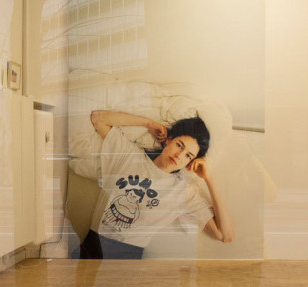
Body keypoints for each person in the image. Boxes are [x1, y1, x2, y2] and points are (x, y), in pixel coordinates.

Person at [79, 109, 235, 259]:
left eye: (188, 155)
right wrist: (149, 124)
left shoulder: (183, 191)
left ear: (190, 162)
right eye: (179, 145)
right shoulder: (128, 155)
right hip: (90, 245)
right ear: (168, 140)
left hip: (126, 257)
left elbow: (225, 235)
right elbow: (99, 119)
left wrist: (208, 179)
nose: (179, 155)